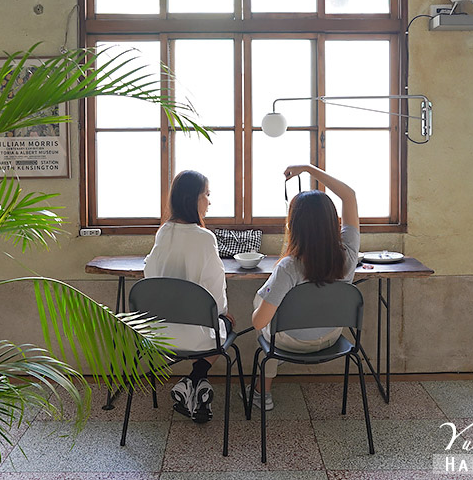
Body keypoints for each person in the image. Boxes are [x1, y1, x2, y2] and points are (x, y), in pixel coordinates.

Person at [249, 163, 360, 411]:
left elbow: (258, 323)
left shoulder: (288, 267)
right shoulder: (349, 254)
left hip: (290, 343)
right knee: (273, 309)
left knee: (264, 315)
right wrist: (310, 169)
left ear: (294, 225)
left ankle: (262, 392)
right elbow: (349, 196)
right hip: (332, 338)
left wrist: (261, 302)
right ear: (333, 222)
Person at [144, 170, 229, 424]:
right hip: (198, 337)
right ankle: (195, 378)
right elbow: (216, 297)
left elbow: (150, 275)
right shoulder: (205, 238)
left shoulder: (163, 232)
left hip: (159, 333)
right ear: (193, 198)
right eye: (207, 195)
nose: (209, 202)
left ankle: (191, 385)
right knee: (226, 323)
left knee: (214, 322)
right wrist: (224, 314)